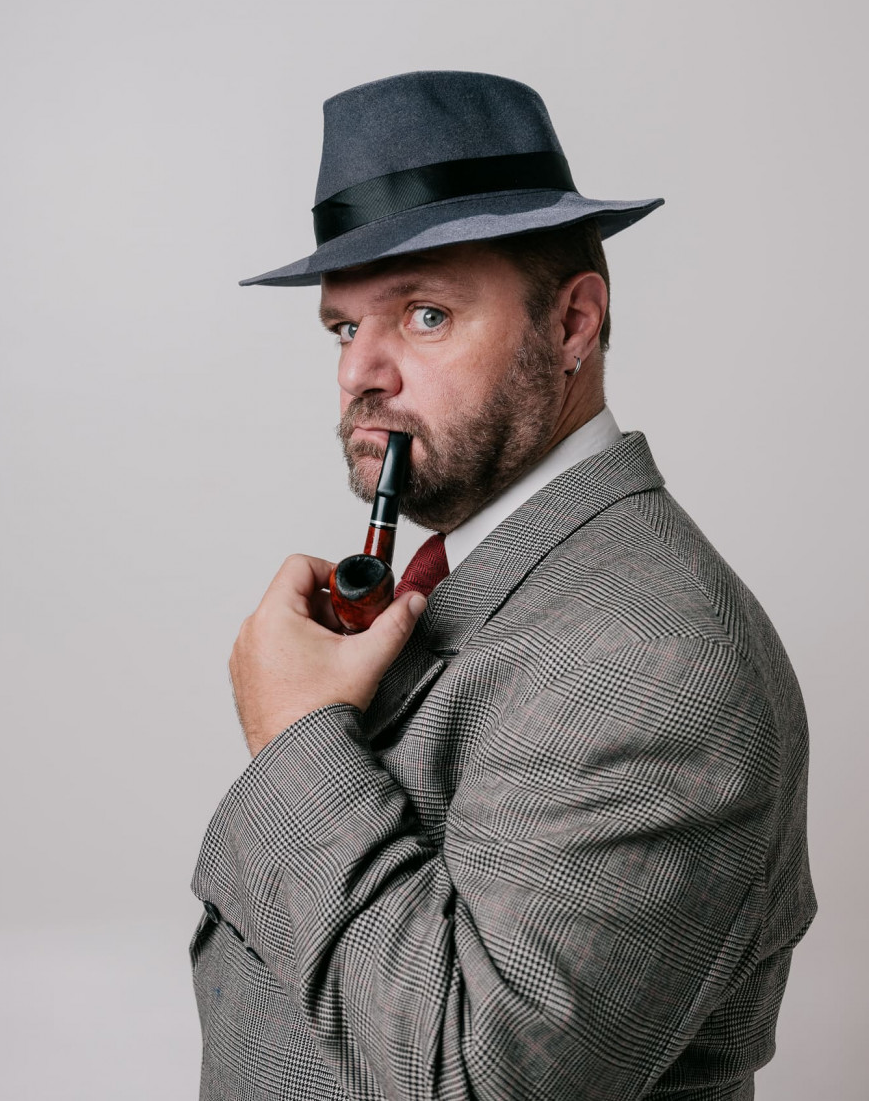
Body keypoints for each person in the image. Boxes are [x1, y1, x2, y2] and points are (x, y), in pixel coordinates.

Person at [189, 69, 817, 1101]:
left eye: (425, 315)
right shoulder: (481, 579)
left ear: (571, 324)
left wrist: (297, 735)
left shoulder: (661, 661)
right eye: (345, 328)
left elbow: (478, 1080)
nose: (359, 372)